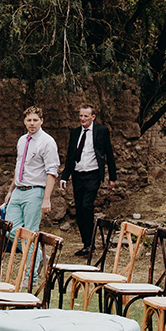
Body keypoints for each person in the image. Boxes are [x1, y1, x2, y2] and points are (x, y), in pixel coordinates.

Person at [58, 103, 117, 258]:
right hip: (78, 175)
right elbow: (70, 156)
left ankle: (91, 244)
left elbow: (109, 154)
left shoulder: (101, 131)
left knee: (86, 207)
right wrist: (64, 176)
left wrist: (113, 177)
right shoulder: (75, 133)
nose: (82, 118)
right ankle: (86, 244)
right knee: (79, 209)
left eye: (85, 116)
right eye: (80, 115)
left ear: (93, 117)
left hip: (93, 174)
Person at [4, 106, 58, 240]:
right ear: (24, 122)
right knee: (10, 231)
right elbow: (19, 167)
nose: (32, 123)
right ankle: (39, 258)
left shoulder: (47, 142)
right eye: (29, 120)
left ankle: (33, 260)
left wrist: (46, 199)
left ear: (41, 121)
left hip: (35, 191)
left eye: (35, 120)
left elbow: (51, 172)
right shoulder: (22, 140)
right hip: (18, 190)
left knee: (29, 233)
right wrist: (11, 190)